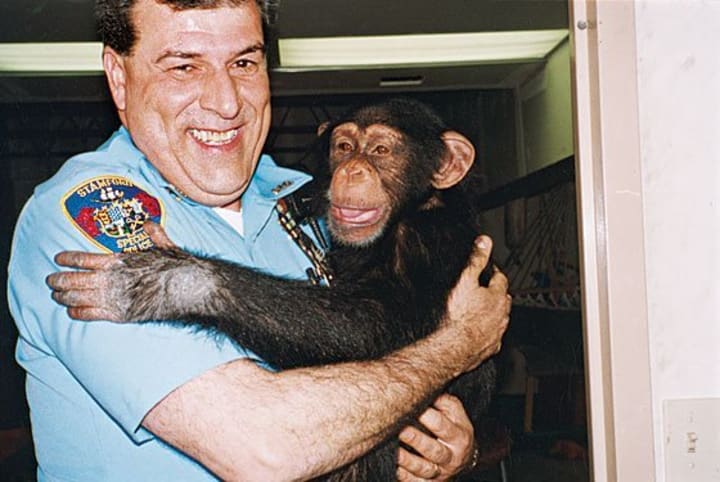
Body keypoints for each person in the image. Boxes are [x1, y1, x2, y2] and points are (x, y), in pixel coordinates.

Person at [6, 0, 511, 480]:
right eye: (184, 67)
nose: (226, 102)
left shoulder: (309, 199)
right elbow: (265, 450)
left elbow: (386, 353)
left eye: (244, 63)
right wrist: (459, 343)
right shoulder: (90, 210)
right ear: (119, 78)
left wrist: (455, 454)